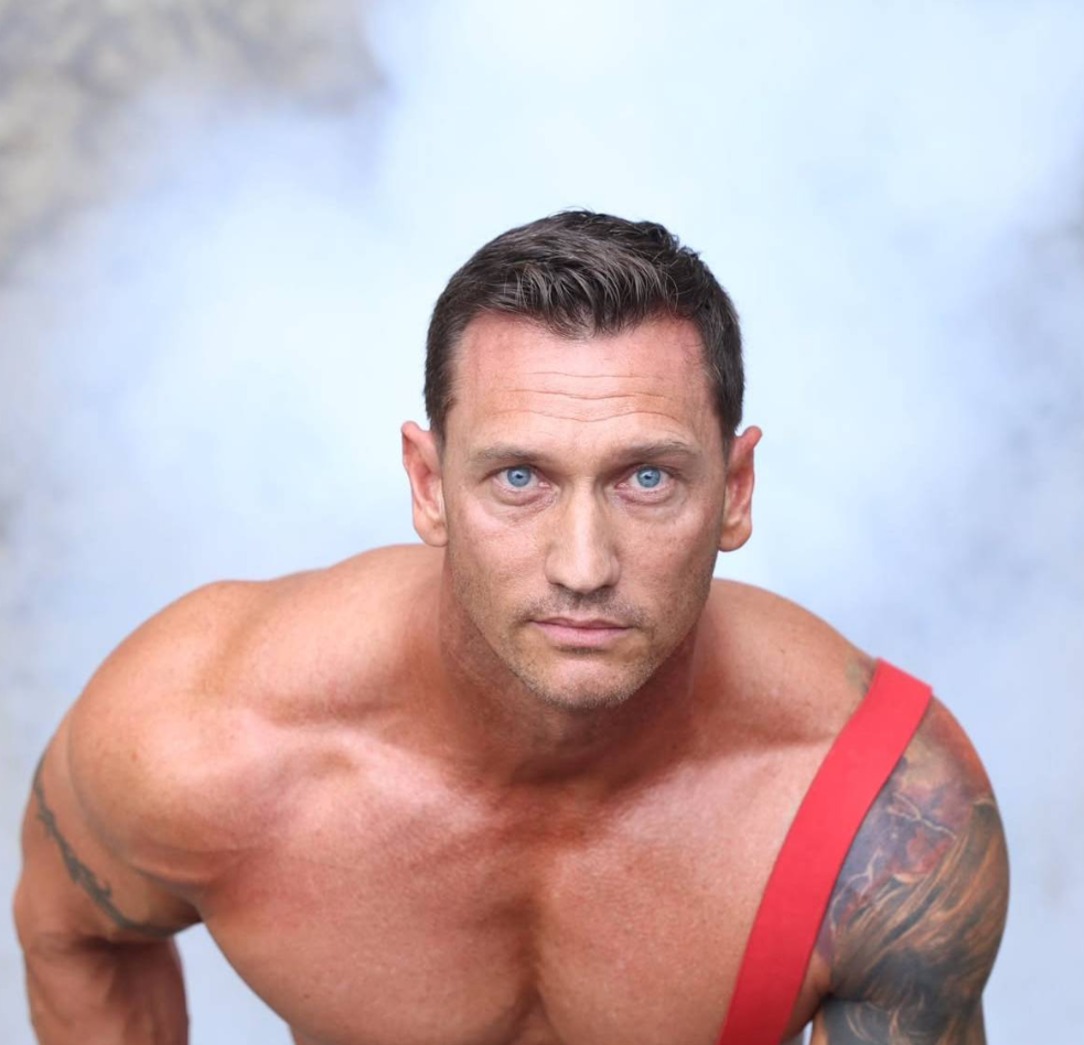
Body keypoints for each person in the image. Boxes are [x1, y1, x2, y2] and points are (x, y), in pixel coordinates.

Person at [14, 210, 1008, 1045]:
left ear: (736, 491)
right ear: (428, 484)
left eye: (646, 478)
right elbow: (71, 932)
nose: (583, 565)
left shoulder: (887, 815)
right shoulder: (203, 733)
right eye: (520, 478)